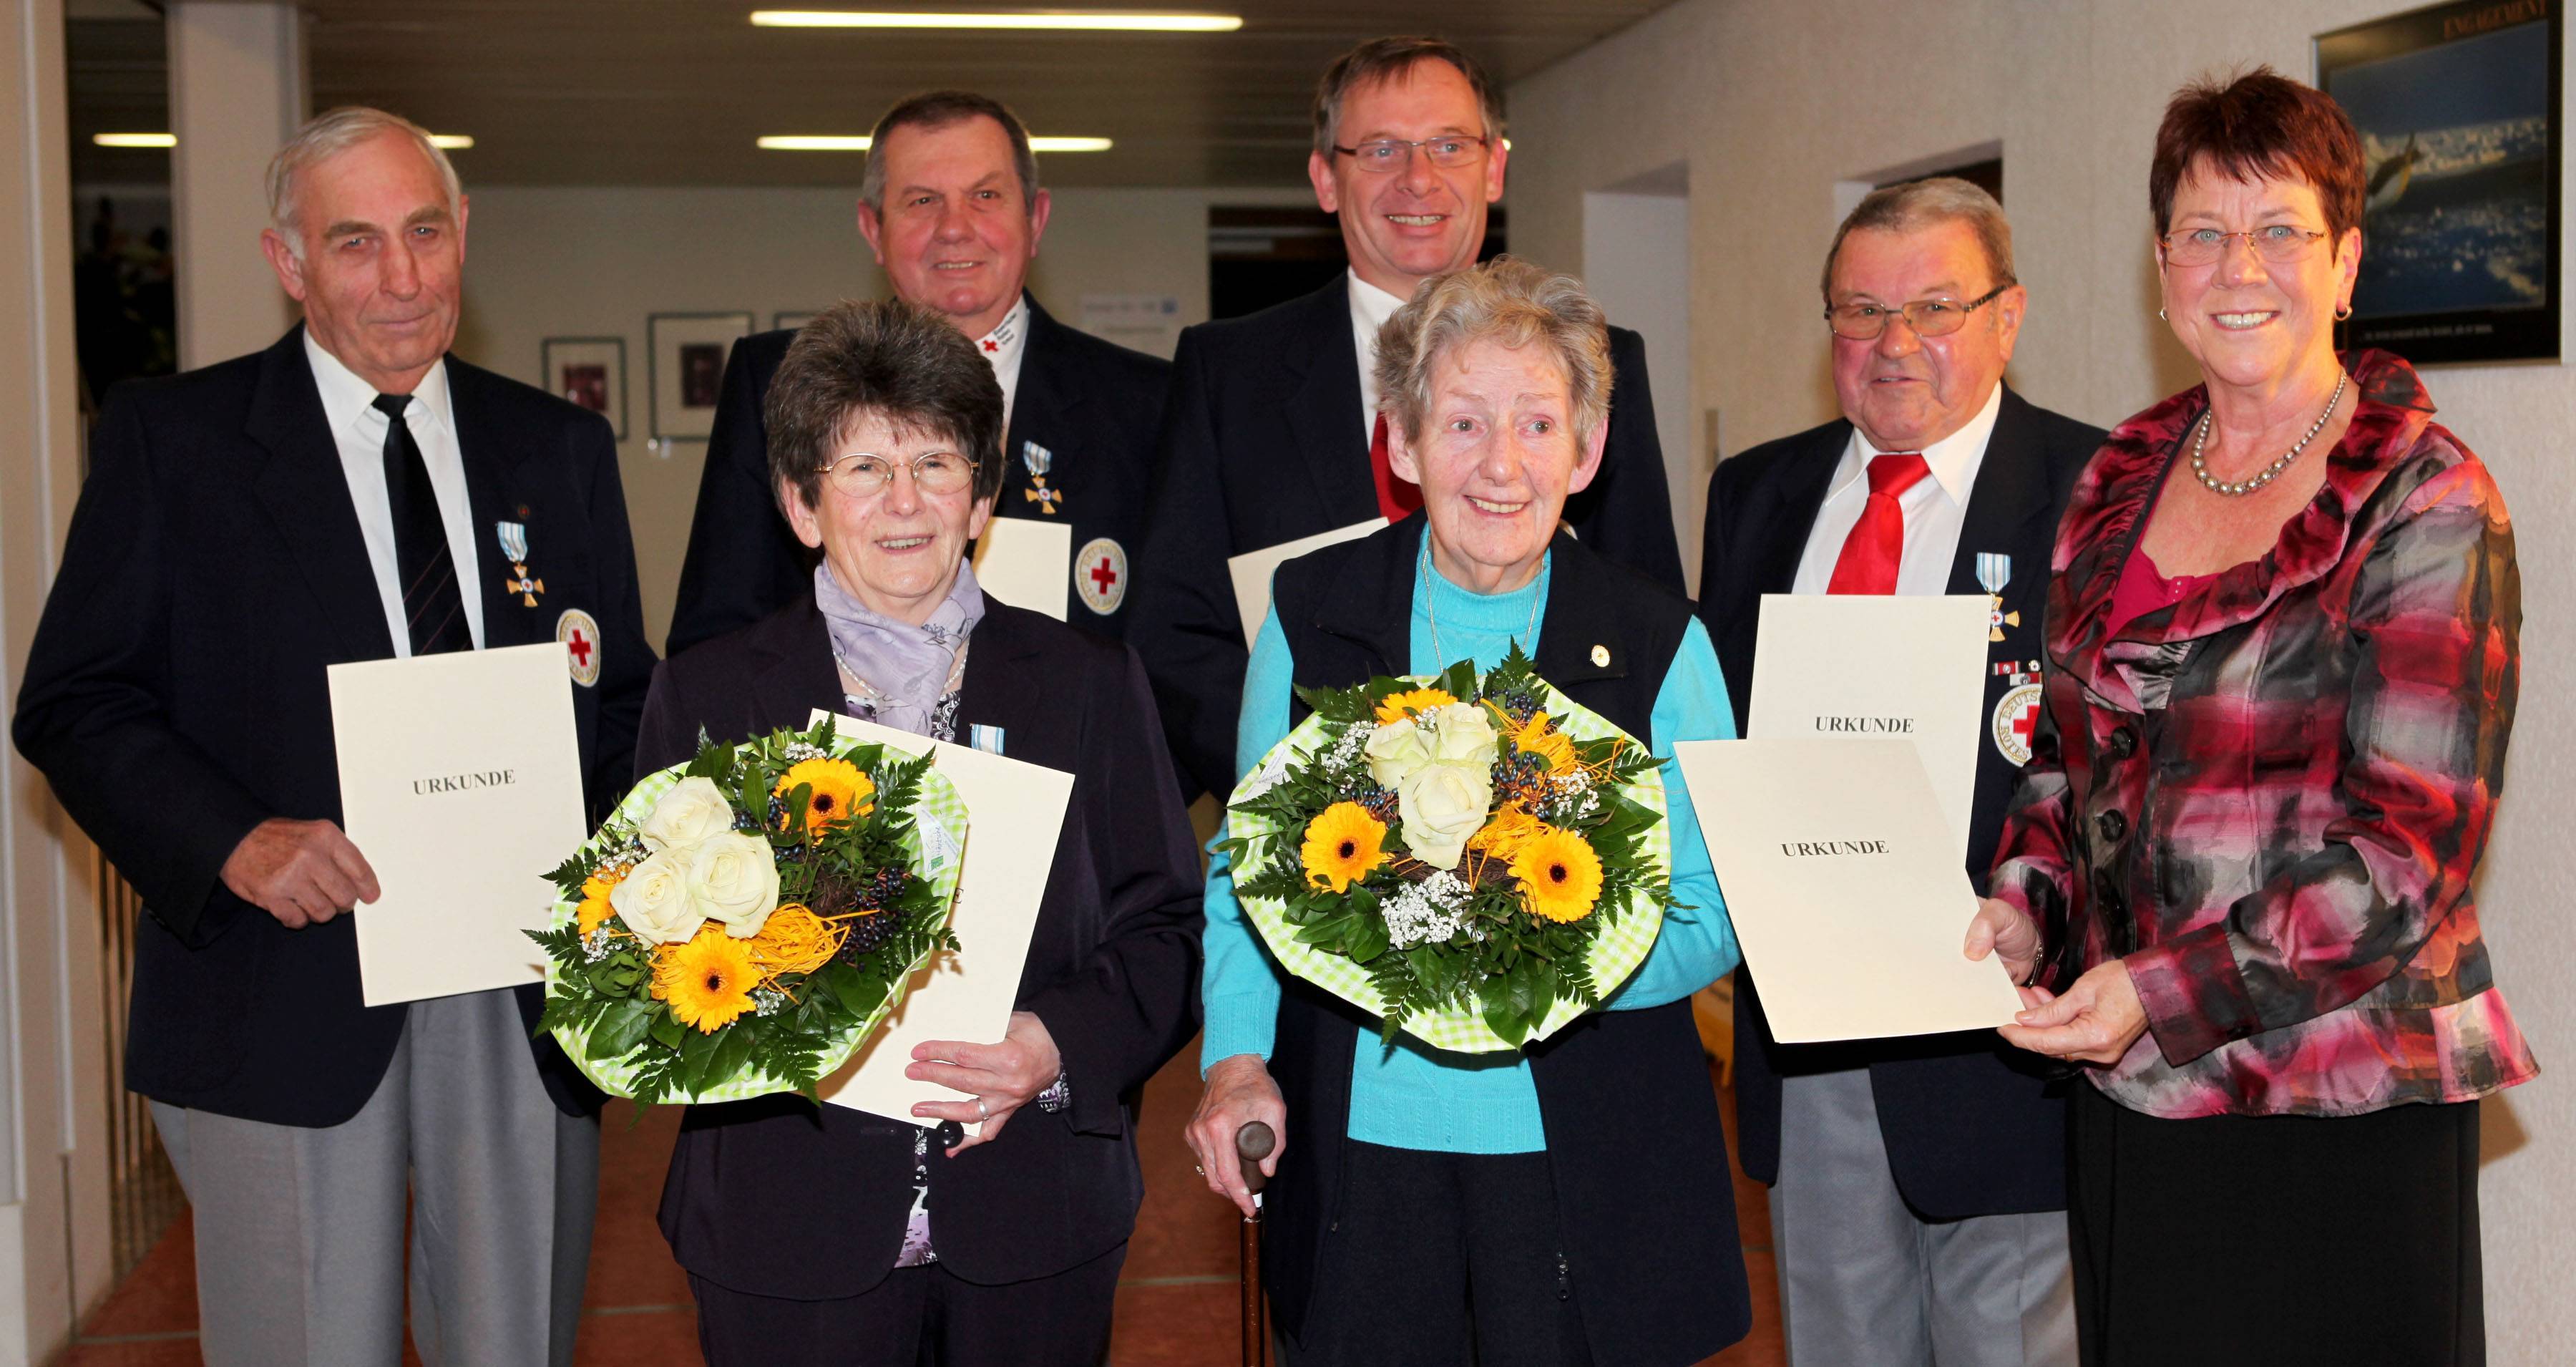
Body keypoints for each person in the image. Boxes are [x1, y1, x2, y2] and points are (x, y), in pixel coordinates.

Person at [12, 107, 652, 1366]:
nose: (403, 277)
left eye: (425, 231)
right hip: (280, 975)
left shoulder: (556, 449)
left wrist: (624, 859)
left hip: (515, 982)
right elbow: (74, 701)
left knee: (512, 1339)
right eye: (355, 243)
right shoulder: (176, 445)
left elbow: (619, 694)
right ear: (287, 262)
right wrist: (233, 840)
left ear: (465, 231)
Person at [1963, 68, 2536, 1366]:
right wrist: (2025, 905)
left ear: (2346, 266)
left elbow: (2406, 859)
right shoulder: (2120, 477)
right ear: (2162, 267)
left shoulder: (2427, 501)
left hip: (2336, 1110)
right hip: (2133, 1099)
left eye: (2281, 230)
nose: (2240, 265)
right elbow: (2072, 765)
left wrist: (2155, 991)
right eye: (2204, 232)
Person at [1184, 257, 1746, 1366]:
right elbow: (1244, 871)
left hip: (1588, 1152)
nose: (1500, 465)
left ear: (1585, 453)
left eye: (1539, 425)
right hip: (1363, 1144)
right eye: (1463, 423)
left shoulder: (1655, 638)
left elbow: (1714, 908)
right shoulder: (1316, 612)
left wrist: (1539, 964)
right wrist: (1238, 1059)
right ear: (1401, 444)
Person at [637, 299, 1203, 1366]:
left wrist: (1057, 1045)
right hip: (785, 1224)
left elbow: (1167, 925)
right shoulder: (710, 697)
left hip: (1035, 1217)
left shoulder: (1088, 682)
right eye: (861, 470)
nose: (904, 502)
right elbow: (650, 955)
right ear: (801, 504)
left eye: (937, 465)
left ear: (983, 497)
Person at [1699, 177, 2100, 1366]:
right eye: (1860, 313)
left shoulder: (2097, 496)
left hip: (2007, 1044)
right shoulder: (1754, 496)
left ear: (2009, 317)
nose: (1895, 344)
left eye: (1934, 307)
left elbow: (2123, 767)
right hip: (1813, 1047)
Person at [1129, 36, 1685, 801]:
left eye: (1449, 145)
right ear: (1327, 177)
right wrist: (1320, 784)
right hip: (1319, 845)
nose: (1419, 179)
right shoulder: (1228, 373)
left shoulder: (1596, 358)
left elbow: (1643, 609)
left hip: (1549, 836)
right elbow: (1174, 632)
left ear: (1494, 167)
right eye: (1382, 149)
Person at [667, 90, 1171, 653]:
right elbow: (716, 637)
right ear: (871, 228)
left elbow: (1174, 646)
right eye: (923, 200)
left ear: (1036, 218)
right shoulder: (772, 381)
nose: (955, 227)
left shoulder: (1147, 403)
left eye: (985, 194)